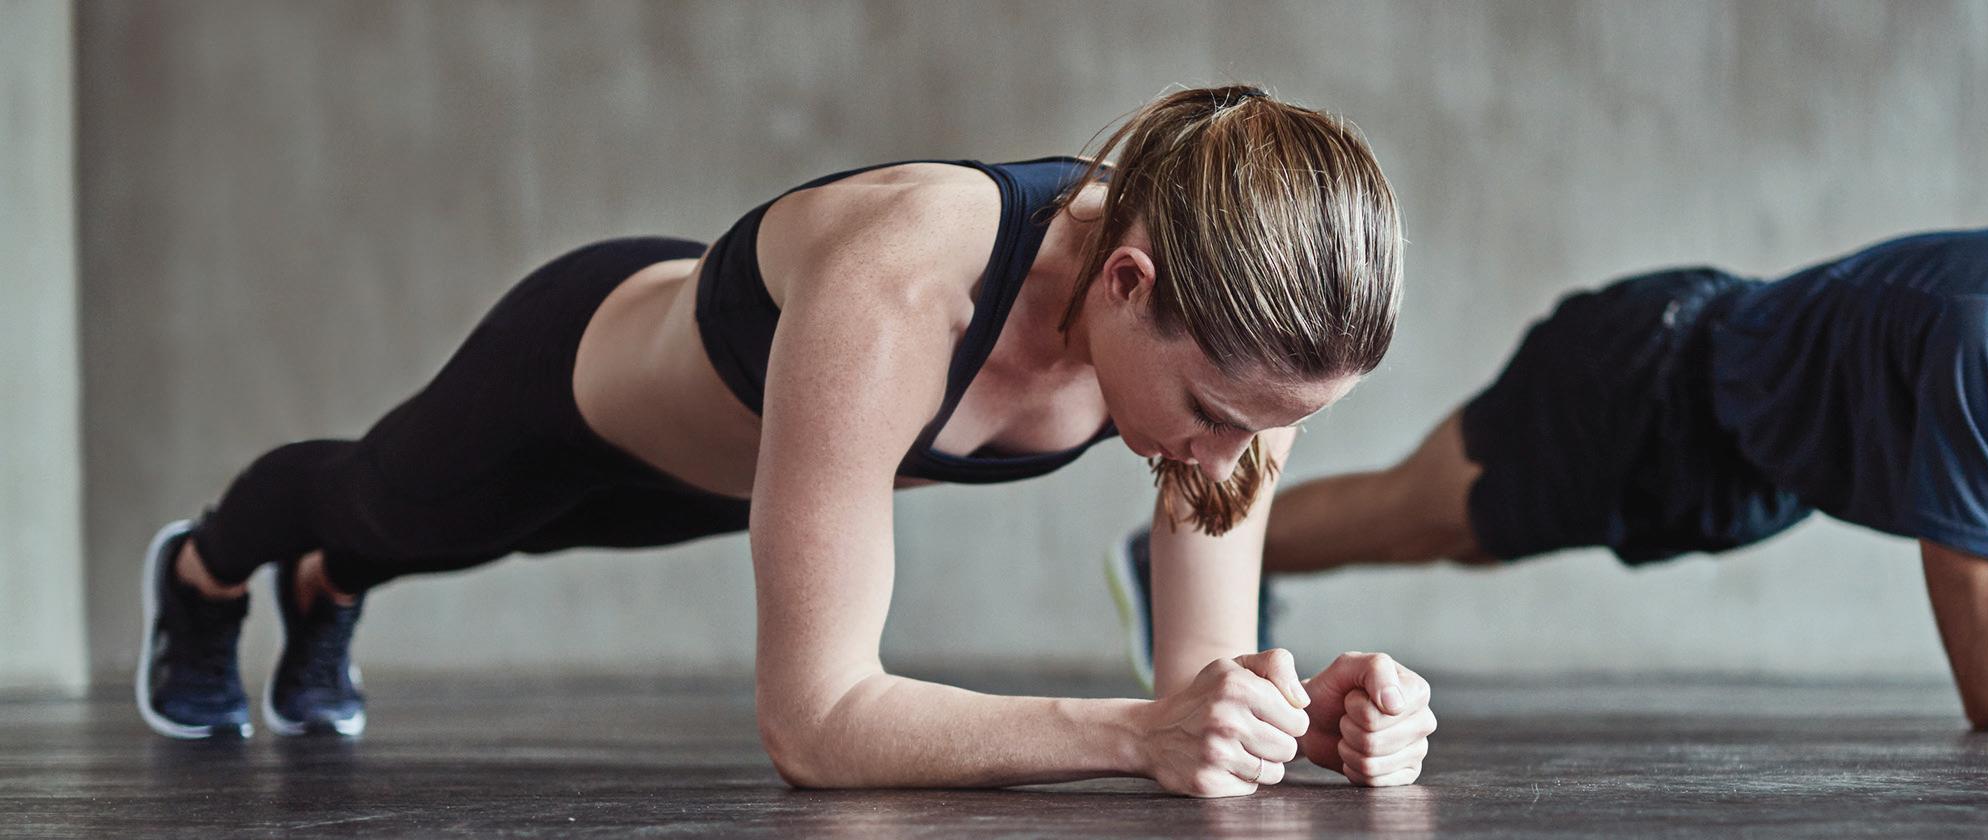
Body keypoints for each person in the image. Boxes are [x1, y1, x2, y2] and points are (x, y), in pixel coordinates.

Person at [136, 85, 1437, 797]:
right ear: (1127, 283)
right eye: (1213, 419)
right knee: (383, 508)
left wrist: (1291, 722)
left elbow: (1196, 682)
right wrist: (1132, 734)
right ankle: (206, 576)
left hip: (741, 481)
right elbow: (816, 725)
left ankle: (328, 591)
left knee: (476, 544)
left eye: (1273, 429)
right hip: (578, 384)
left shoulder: (1245, 373)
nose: (1229, 461)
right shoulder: (904, 283)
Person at [1117, 198, 1988, 730]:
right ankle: (1186, 538)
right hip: (1649, 381)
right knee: (1430, 523)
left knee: (1439, 532)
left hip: (1762, 463)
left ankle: (1202, 554)